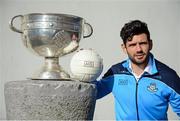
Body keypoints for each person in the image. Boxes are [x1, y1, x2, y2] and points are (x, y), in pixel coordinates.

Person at [95, 20, 180, 120]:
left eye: (143, 43)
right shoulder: (115, 72)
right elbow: (92, 93)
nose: (138, 49)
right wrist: (82, 70)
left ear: (150, 44)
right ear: (124, 48)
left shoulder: (168, 76)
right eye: (132, 45)